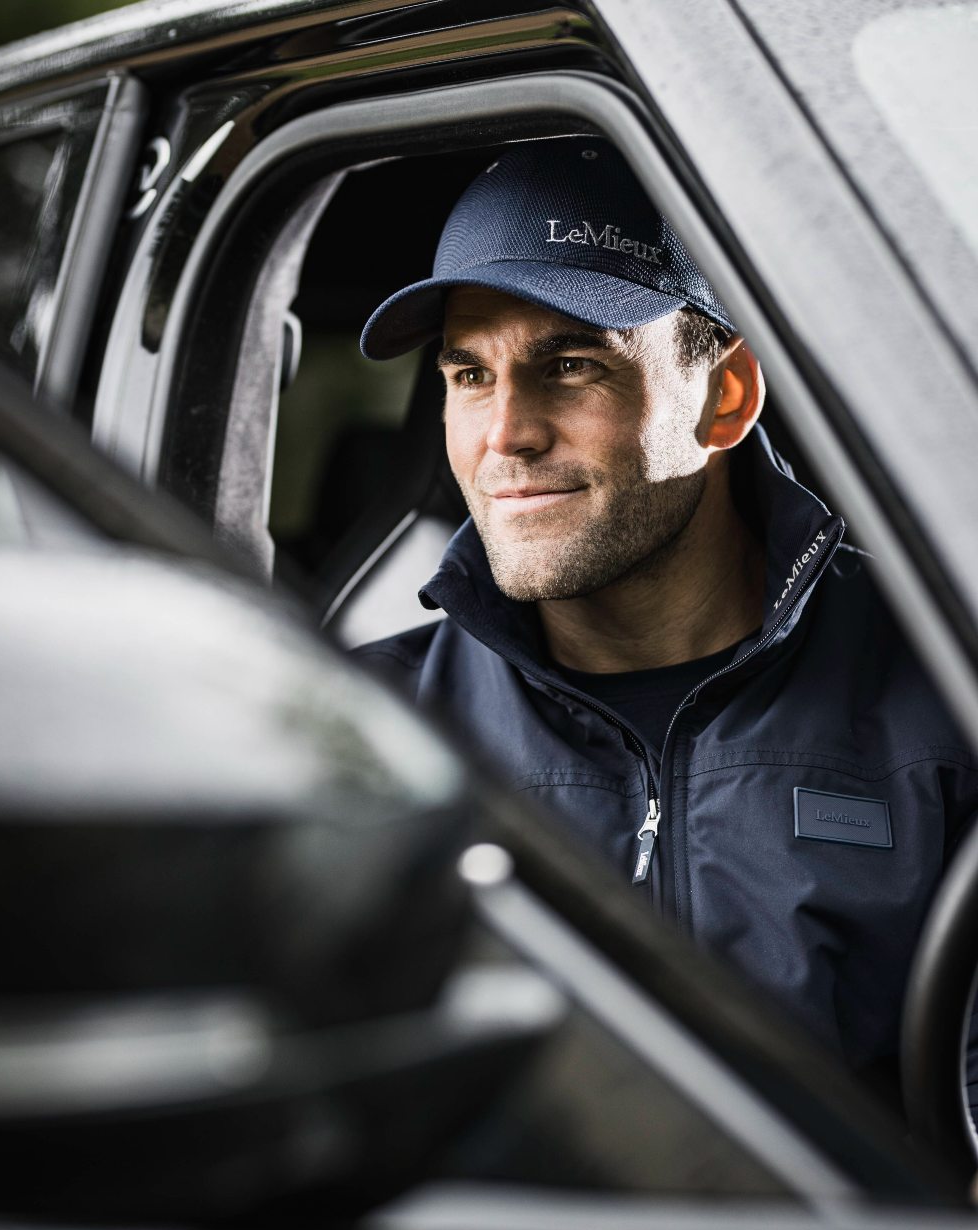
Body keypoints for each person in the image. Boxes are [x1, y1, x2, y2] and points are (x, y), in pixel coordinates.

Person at [357, 137, 978, 1100]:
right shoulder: (360, 735)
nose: (505, 433)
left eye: (570, 365)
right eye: (468, 374)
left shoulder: (945, 692)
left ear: (725, 397)